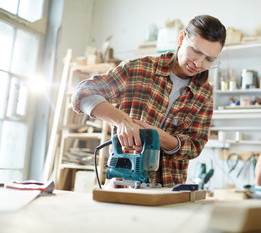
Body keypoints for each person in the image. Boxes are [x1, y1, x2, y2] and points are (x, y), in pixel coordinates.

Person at [71, 15, 227, 187]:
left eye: (209, 59)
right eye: (196, 51)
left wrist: (161, 138)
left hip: (169, 190)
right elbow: (82, 93)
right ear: (181, 38)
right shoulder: (139, 70)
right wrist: (122, 120)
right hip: (124, 184)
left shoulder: (204, 94)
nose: (198, 63)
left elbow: (195, 146)